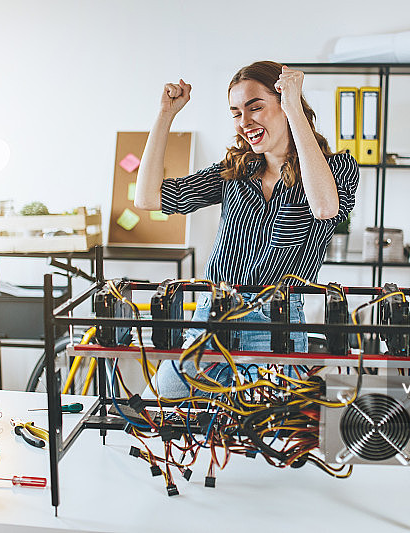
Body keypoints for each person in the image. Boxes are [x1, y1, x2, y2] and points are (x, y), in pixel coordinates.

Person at [135, 60, 359, 398]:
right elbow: (148, 198)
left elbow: (325, 208)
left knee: (262, 432)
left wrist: (294, 107)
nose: (245, 122)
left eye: (255, 107)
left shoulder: (335, 168)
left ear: (286, 105)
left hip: (275, 323)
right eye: (236, 113)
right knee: (167, 399)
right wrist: (166, 114)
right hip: (214, 314)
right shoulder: (234, 171)